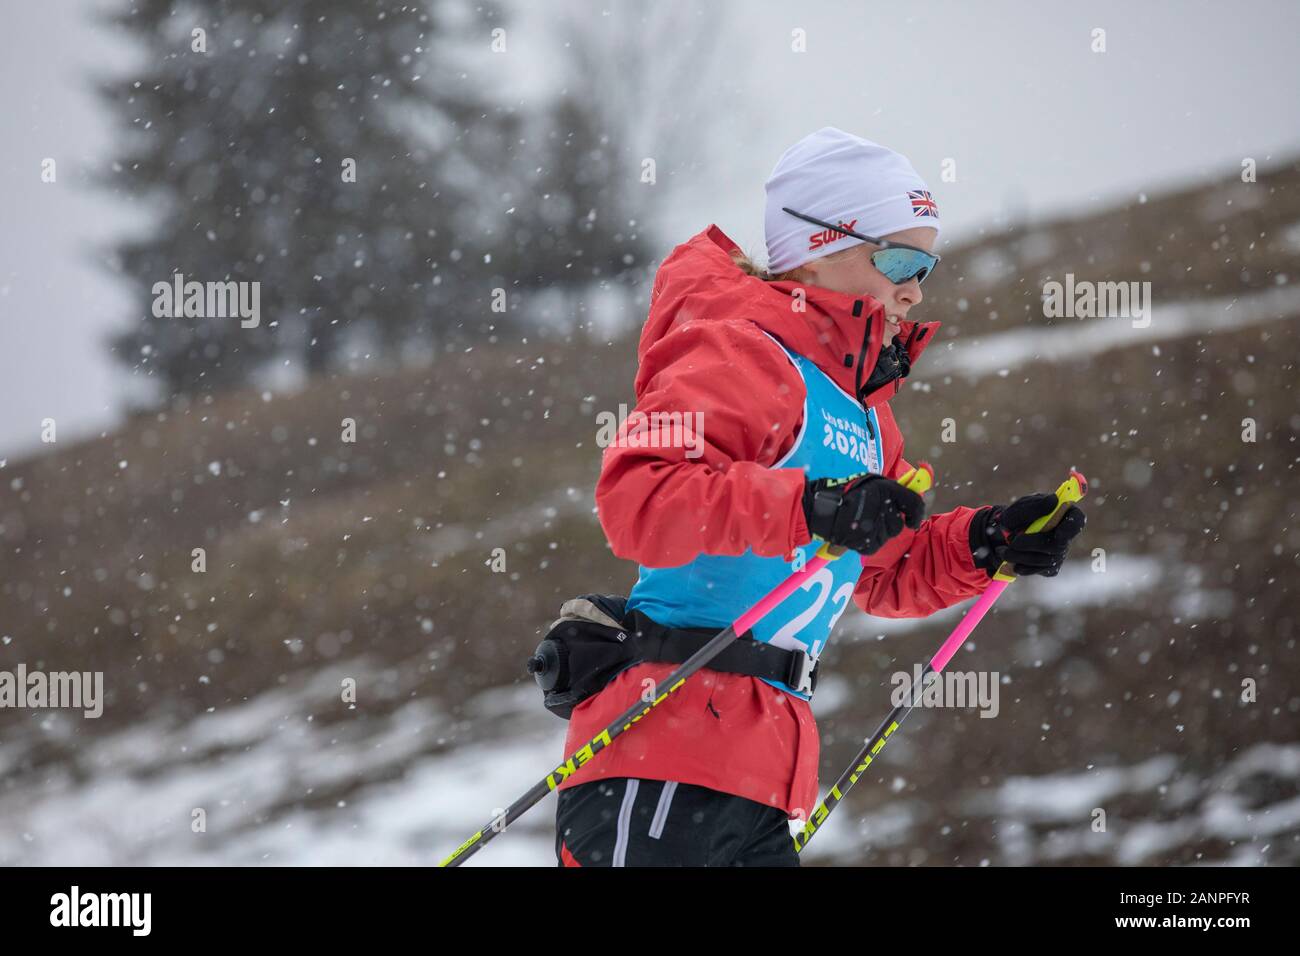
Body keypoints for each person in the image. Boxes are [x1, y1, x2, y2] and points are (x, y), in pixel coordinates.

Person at [553, 127, 1085, 867]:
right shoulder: (738, 352)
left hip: (761, 774)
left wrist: (987, 541)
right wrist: (809, 506)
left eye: (925, 265)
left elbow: (883, 571)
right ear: (818, 246)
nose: (914, 288)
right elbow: (640, 496)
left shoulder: (865, 412)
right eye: (898, 259)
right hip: (662, 752)